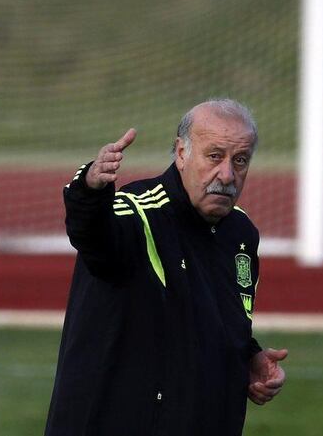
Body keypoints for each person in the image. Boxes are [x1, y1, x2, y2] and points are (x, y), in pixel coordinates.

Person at [44, 99, 287, 436]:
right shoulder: (138, 212)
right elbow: (95, 239)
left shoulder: (241, 233)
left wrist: (248, 358)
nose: (227, 174)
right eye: (215, 156)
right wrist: (90, 190)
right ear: (181, 152)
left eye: (240, 160)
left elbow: (215, 319)